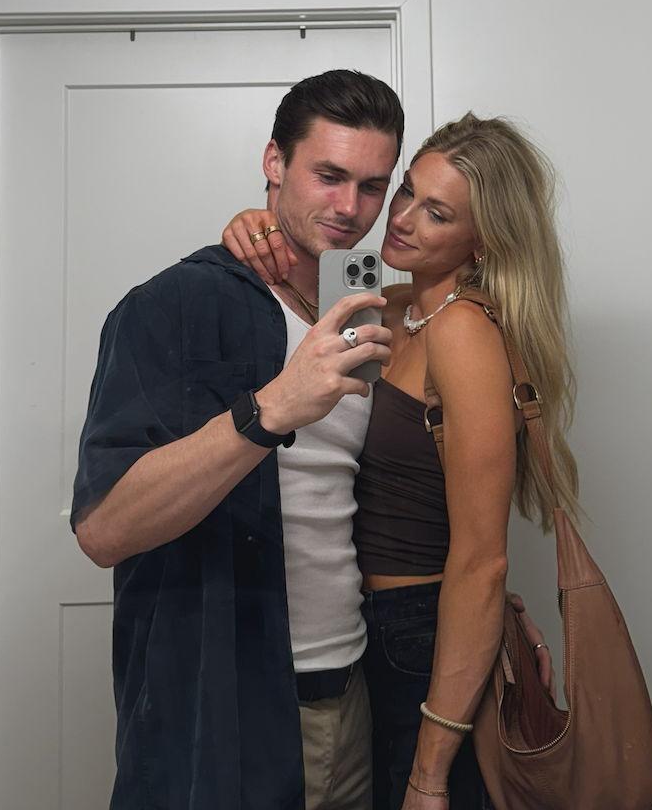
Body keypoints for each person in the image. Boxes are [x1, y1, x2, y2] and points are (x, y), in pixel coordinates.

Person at [222, 112, 578, 810]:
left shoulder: (465, 332)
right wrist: (253, 227)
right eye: (407, 191)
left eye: (437, 213)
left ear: (483, 240)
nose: (403, 218)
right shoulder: (387, 309)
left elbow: (481, 560)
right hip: (368, 630)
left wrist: (431, 773)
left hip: (420, 634)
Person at [71, 69, 404, 810]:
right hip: (227, 709)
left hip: (355, 694)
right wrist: (272, 408)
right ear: (274, 161)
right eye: (328, 176)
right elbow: (104, 529)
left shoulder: (366, 312)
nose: (349, 208)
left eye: (372, 187)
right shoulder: (174, 305)